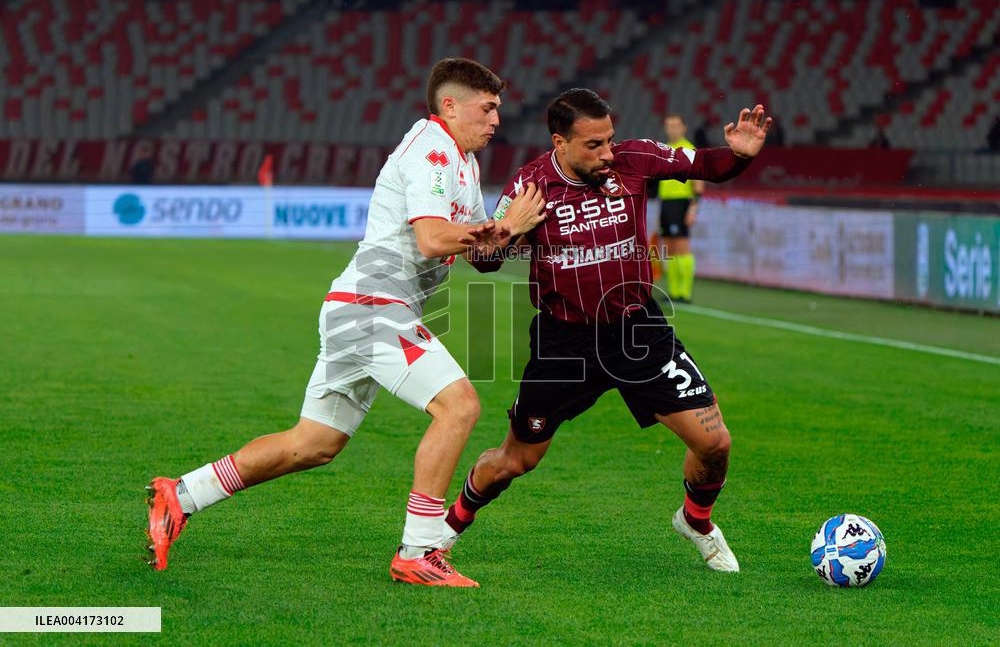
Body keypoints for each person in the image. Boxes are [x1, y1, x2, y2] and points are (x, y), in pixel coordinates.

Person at [144, 58, 546, 587]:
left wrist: (511, 233)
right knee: (459, 406)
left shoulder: (464, 164)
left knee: (313, 443)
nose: (497, 120)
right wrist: (499, 225)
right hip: (373, 307)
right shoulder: (430, 148)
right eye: (488, 108)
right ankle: (419, 551)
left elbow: (481, 255)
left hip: (362, 308)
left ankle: (184, 493)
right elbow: (432, 238)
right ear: (451, 105)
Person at [441, 88, 770, 574]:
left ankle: (695, 522)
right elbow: (484, 261)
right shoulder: (531, 187)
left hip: (637, 332)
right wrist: (507, 229)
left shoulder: (634, 160)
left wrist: (738, 157)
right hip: (564, 344)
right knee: (516, 460)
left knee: (714, 443)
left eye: (609, 139)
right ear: (560, 142)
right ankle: (443, 531)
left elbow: (704, 165)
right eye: (593, 144)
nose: (607, 153)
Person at [654, 113, 704, 303]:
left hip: (681, 202)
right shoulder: (664, 150)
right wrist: (660, 211)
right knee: (669, 248)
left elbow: (698, 183)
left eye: (675, 125)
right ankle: (674, 292)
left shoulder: (689, 150)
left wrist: (693, 208)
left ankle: (685, 293)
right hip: (666, 204)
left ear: (684, 128)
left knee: (682, 247)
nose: (671, 129)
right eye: (668, 125)